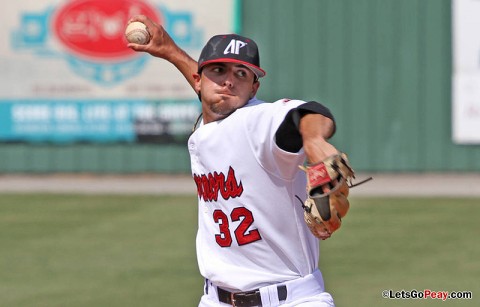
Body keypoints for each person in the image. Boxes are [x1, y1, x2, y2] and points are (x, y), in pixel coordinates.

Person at [128, 15, 343, 307]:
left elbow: (308, 114)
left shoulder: (257, 122)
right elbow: (214, 95)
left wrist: (315, 141)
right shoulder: (210, 126)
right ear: (198, 80)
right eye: (218, 70)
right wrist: (170, 50)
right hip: (216, 300)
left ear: (254, 89)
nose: (229, 81)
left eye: (242, 74)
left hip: (291, 299)